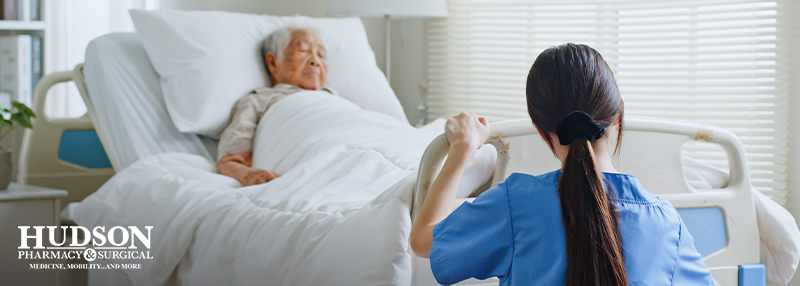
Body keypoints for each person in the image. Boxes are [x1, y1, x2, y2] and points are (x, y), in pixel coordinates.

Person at [409, 43, 714, 285]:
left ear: (541, 131)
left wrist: (462, 149)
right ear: (619, 114)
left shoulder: (515, 205)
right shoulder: (664, 222)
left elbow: (422, 240)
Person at [217, 18, 336, 186]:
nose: (315, 61)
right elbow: (230, 161)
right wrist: (247, 175)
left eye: (321, 55)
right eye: (302, 50)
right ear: (272, 62)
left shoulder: (339, 101)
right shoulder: (258, 101)